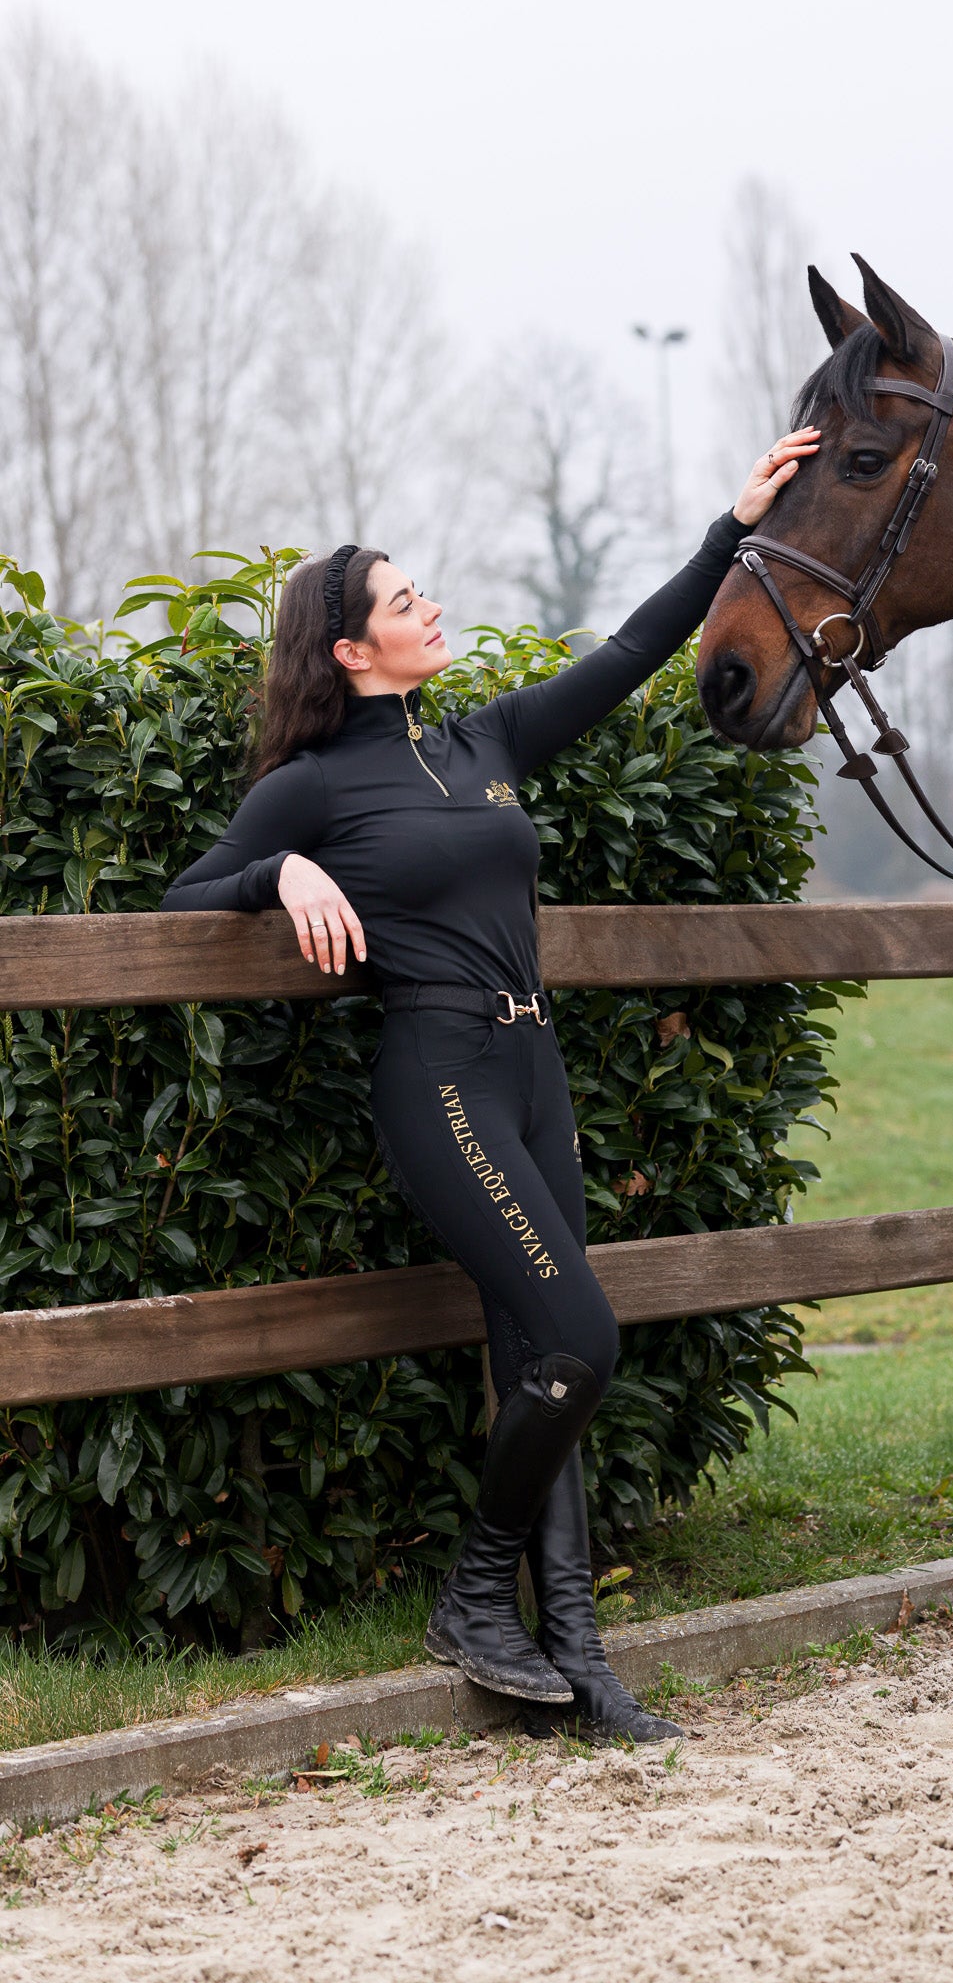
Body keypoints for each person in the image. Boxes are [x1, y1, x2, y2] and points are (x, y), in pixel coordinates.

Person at [160, 425, 820, 1743]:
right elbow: (187, 898)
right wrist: (280, 872)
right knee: (583, 1339)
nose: (429, 608)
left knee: (541, 1354)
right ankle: (474, 1597)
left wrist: (732, 530)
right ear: (352, 652)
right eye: (404, 601)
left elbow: (629, 653)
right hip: (442, 1072)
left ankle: (577, 1656)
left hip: (533, 1069)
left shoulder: (487, 741)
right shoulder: (309, 787)